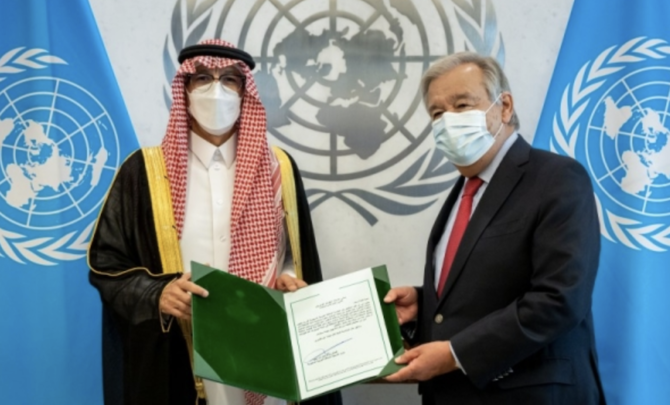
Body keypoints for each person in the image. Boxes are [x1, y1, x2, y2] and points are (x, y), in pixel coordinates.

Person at [88, 39, 341, 405]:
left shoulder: (278, 168)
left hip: (266, 350)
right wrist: (157, 293)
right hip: (180, 355)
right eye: (203, 78)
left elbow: (294, 254)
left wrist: (287, 274)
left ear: (245, 92)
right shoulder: (143, 171)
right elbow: (106, 264)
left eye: (230, 80)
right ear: (185, 88)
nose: (216, 90)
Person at [384, 52, 606, 404]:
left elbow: (560, 298)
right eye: (437, 113)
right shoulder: (462, 191)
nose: (448, 121)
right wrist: (423, 301)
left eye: (462, 105)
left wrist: (454, 354)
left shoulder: (557, 178)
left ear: (503, 107)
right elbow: (487, 285)